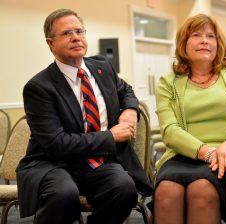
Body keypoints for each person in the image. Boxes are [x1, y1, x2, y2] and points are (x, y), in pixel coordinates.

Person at [16, 8, 152, 224]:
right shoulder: (39, 87)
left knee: (124, 188)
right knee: (63, 194)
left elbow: (126, 91)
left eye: (79, 31)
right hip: (55, 163)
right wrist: (111, 136)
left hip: (99, 160)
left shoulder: (102, 67)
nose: (76, 37)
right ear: (50, 43)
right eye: (67, 33)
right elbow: (57, 144)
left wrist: (129, 111)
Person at [154, 13, 226, 224]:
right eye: (196, 35)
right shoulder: (167, 83)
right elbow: (170, 131)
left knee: (202, 189)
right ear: (183, 44)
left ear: (218, 43)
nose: (204, 40)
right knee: (166, 191)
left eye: (211, 36)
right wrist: (208, 153)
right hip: (183, 154)